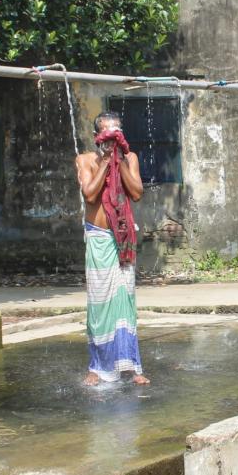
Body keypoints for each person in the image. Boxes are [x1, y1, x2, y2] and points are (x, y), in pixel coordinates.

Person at [76, 111, 148, 386]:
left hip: (122, 237)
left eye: (116, 133)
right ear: (97, 137)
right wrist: (107, 162)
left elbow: (137, 192)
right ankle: (97, 366)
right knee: (100, 304)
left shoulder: (130, 158)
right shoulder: (85, 160)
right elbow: (90, 194)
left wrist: (120, 162)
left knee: (124, 302)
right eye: (107, 134)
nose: (112, 139)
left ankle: (132, 366)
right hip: (98, 238)